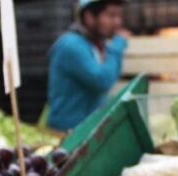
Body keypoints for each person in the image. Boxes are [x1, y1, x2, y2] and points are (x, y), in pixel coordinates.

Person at [47, 0, 127, 132]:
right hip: (67, 134)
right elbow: (101, 81)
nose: (117, 22)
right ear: (89, 16)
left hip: (87, 131)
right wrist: (116, 48)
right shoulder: (71, 45)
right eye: (111, 15)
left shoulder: (95, 44)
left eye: (119, 16)